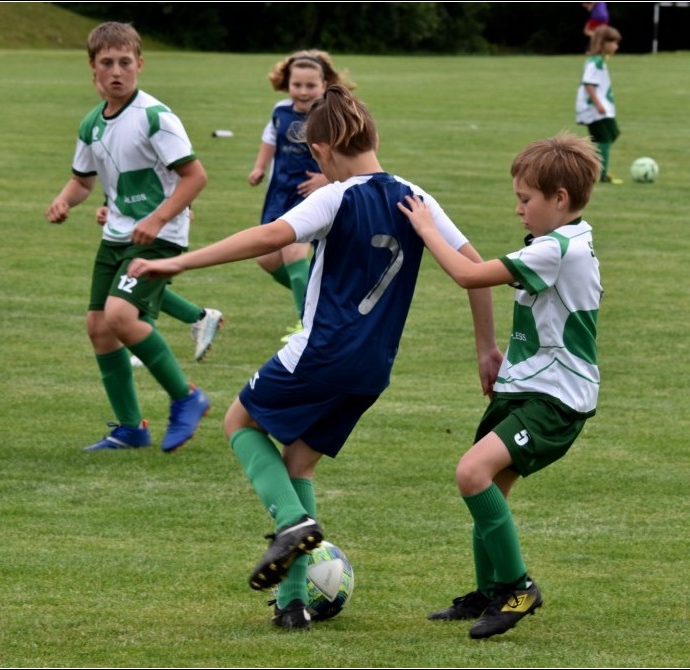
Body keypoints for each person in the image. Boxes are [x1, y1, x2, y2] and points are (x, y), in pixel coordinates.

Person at [128, 85, 501, 631]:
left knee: (239, 421)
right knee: (298, 461)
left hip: (321, 352)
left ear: (323, 149)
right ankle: (294, 602)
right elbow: (479, 271)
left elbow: (268, 237)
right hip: (373, 370)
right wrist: (486, 348)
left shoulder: (339, 194)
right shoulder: (417, 197)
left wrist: (178, 264)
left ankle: (293, 521)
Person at [397, 132, 603, 640]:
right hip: (527, 388)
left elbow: (469, 275)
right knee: (490, 491)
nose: (518, 210)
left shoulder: (557, 249)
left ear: (559, 199)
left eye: (525, 199)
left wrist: (427, 227)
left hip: (556, 399)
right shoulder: (557, 241)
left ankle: (517, 588)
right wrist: (496, 356)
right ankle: (491, 590)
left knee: (472, 474)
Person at [45, 21, 211, 453]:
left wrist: (157, 220)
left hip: (159, 235)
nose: (117, 71)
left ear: (139, 64)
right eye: (107, 63)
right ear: (92, 70)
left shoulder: (156, 117)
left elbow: (194, 177)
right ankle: (129, 427)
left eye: (125, 62)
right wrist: (64, 201)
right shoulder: (91, 125)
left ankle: (187, 398)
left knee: (121, 316)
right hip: (118, 234)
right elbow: (82, 181)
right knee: (99, 327)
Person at [247, 50, 356, 341]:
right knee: (267, 259)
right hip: (280, 193)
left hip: (311, 196)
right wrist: (259, 168)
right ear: (287, 83)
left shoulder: (329, 116)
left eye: (311, 85)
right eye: (298, 84)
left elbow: (350, 153)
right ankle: (325, 303)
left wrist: (325, 178)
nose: (303, 91)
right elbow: (269, 140)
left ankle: (306, 324)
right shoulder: (280, 111)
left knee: (294, 251)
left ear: (324, 85)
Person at [95, 203, 224, 364]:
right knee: (124, 284)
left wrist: (185, 206)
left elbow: (186, 178)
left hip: (156, 226)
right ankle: (199, 316)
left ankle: (146, 347)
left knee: (133, 283)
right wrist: (110, 205)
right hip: (129, 223)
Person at [576, 25, 623, 184]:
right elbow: (588, 83)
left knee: (610, 134)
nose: (616, 47)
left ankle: (591, 166)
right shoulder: (594, 62)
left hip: (598, 107)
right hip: (594, 109)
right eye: (613, 43)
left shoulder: (600, 60)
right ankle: (600, 174)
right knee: (606, 136)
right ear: (603, 43)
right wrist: (598, 104)